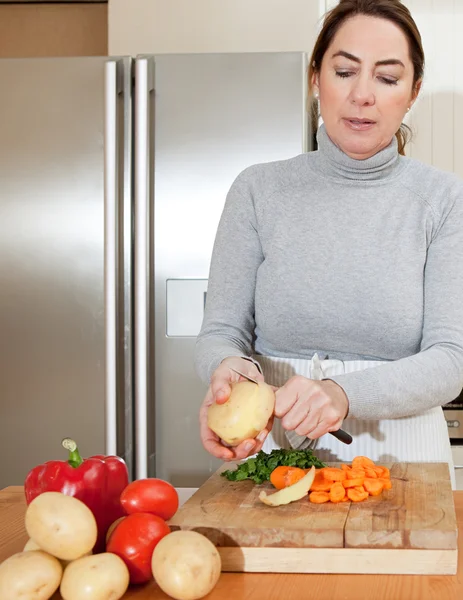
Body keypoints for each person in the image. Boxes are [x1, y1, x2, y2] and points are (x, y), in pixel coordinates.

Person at [194, 0, 463, 489]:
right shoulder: (257, 190)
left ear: (412, 92)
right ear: (316, 78)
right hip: (275, 448)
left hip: (405, 457)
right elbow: (221, 330)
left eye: (387, 78)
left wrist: (342, 393)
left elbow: (451, 359)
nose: (362, 95)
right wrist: (228, 371)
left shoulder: (445, 200)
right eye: (344, 71)